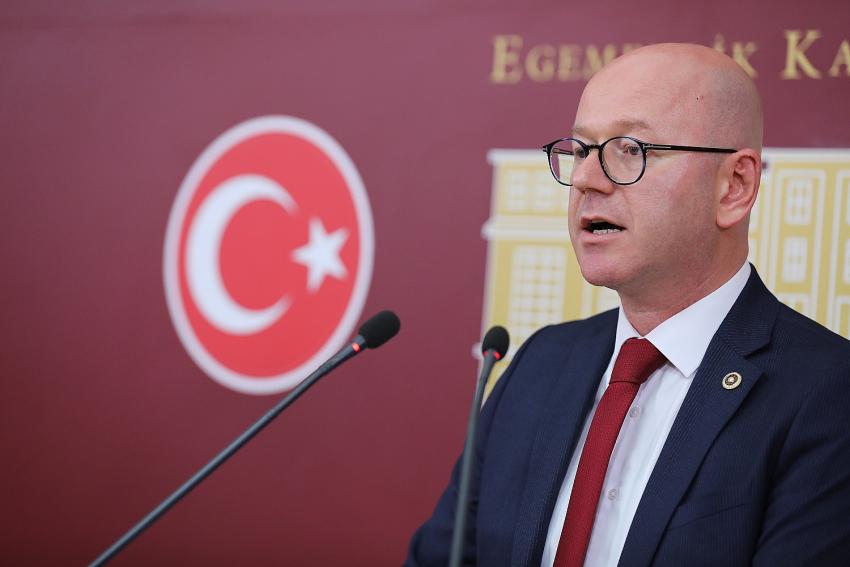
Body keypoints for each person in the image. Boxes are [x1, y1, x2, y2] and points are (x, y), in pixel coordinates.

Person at [405, 43, 850, 566]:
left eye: (631, 150)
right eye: (581, 151)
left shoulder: (827, 394)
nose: (587, 180)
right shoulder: (539, 365)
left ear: (735, 186)